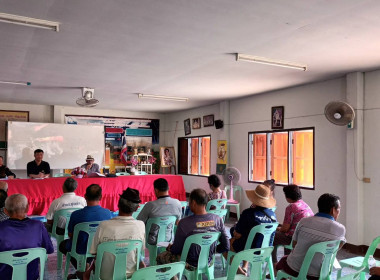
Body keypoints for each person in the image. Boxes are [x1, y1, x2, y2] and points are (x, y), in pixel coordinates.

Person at [276, 193, 346, 280]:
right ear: (333, 210)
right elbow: (335, 249)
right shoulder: (340, 229)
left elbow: (294, 244)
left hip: (295, 269)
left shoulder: (304, 221)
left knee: (284, 261)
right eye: (339, 209)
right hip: (320, 273)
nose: (339, 211)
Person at [156, 188, 229, 268]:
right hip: (208, 261)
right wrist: (210, 251)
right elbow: (226, 246)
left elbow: (176, 250)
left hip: (188, 263)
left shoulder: (184, 223)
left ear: (193, 203)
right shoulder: (218, 219)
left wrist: (171, 247)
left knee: (160, 257)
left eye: (189, 202)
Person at [88, 188, 146, 279]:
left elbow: (94, 253)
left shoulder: (104, 226)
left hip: (104, 275)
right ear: (136, 208)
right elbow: (140, 251)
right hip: (130, 275)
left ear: (118, 205)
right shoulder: (140, 225)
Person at [59, 184, 112, 279]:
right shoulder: (107, 213)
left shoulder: (76, 214)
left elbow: (71, 234)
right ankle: (87, 268)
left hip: (80, 248)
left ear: (85, 196)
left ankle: (82, 270)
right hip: (99, 247)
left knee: (63, 245)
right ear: (101, 197)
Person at [0, 194, 54, 280]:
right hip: (31, 277)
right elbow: (49, 249)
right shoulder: (39, 226)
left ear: (5, 211)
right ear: (28, 208)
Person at [230, 184, 277, 274]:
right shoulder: (272, 215)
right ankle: (245, 267)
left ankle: (239, 270)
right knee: (250, 240)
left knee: (226, 244)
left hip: (248, 250)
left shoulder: (248, 213)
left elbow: (238, 234)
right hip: (265, 250)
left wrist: (234, 232)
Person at [272, 184, 314, 264]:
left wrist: (278, 228)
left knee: (272, 236)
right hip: (305, 237)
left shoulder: (291, 207)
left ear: (287, 196)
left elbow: (285, 229)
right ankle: (287, 262)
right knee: (284, 235)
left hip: (294, 239)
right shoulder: (305, 205)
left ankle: (275, 265)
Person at [137, 178, 182, 244]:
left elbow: (140, 222)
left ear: (156, 190)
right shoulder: (177, 203)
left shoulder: (150, 205)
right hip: (169, 239)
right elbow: (177, 222)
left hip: (152, 240)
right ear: (168, 188)